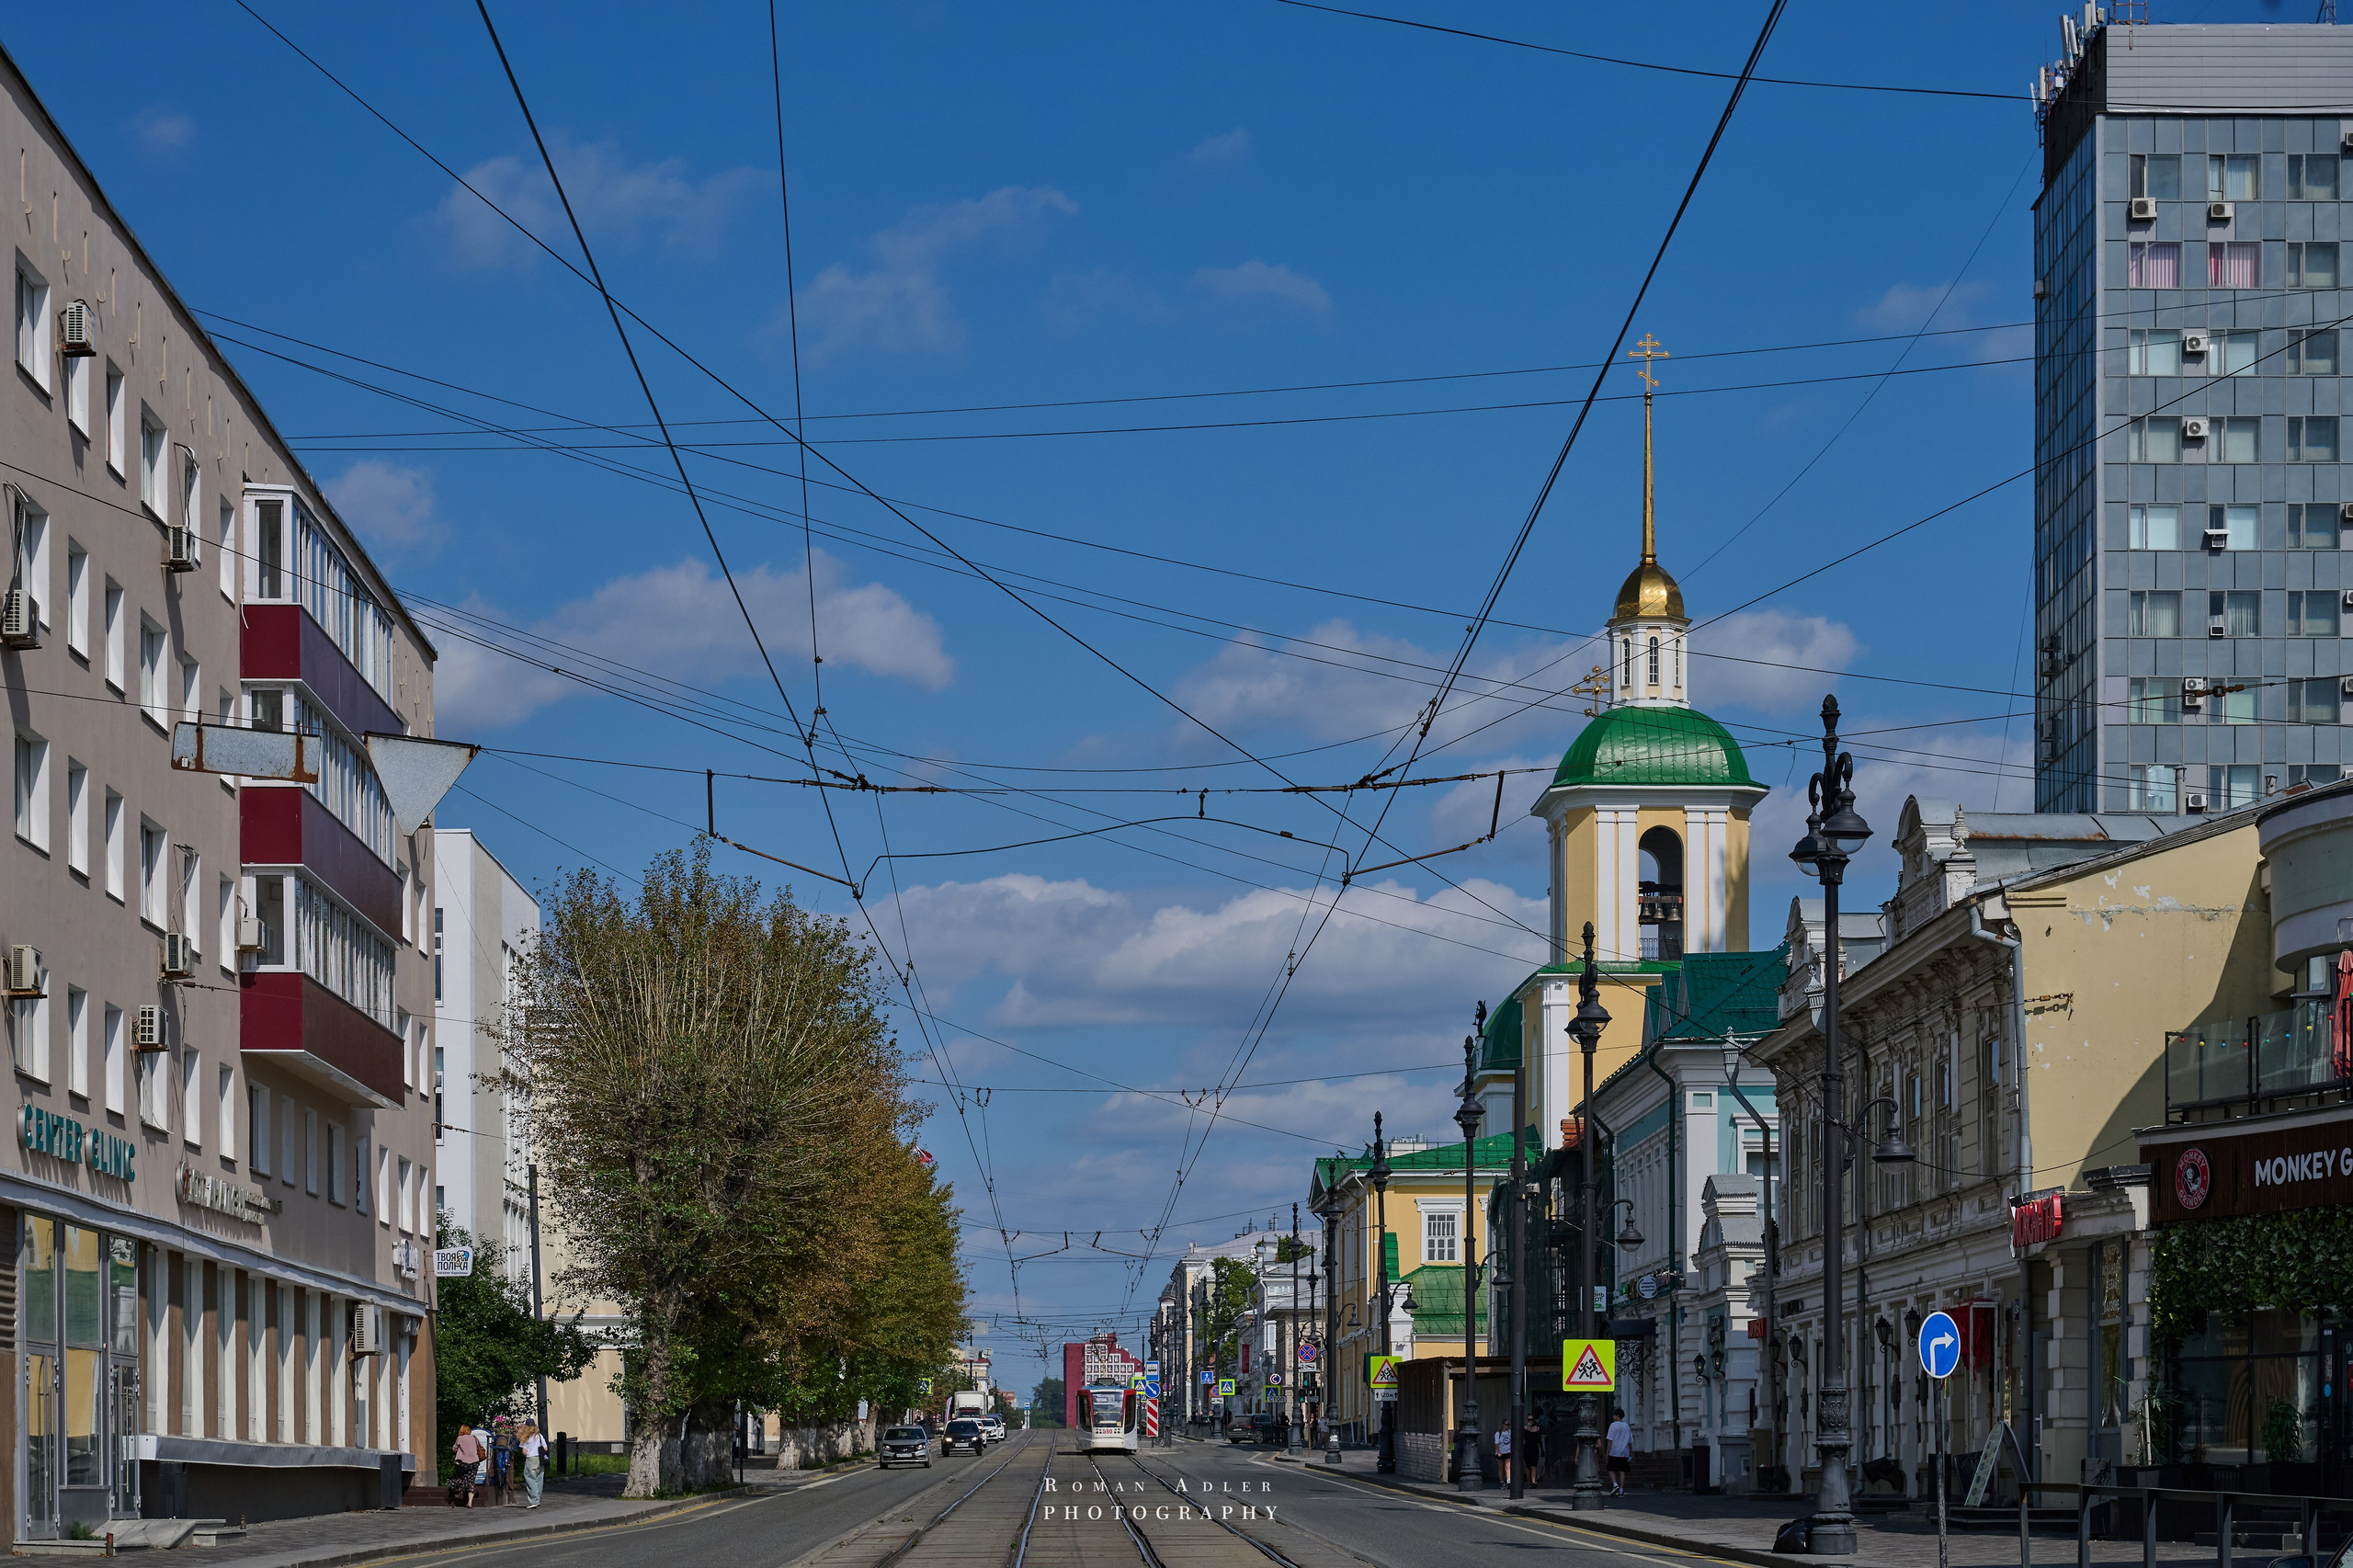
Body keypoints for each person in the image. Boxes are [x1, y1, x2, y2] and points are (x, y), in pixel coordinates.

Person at [450, 1426, 484, 1508]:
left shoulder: (460, 1438)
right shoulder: (474, 1438)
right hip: (474, 1462)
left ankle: (460, 1493)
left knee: (460, 1477)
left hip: (463, 1462)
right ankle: (470, 1502)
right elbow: (481, 1447)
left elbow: (454, 1449)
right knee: (471, 1481)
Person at [1605, 1406, 1633, 1496]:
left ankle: (1615, 1484)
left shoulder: (1613, 1425)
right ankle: (1621, 1489)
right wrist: (1631, 1452)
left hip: (1614, 1451)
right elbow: (1630, 1441)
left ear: (1617, 1416)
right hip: (1624, 1452)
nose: (1613, 1417)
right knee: (1622, 1471)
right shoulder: (1626, 1426)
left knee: (1610, 1469)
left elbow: (1610, 1440)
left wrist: (1607, 1453)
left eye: (1614, 1415)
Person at [519, 1423, 548, 1509]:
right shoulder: (539, 1436)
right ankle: (537, 1498)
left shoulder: (525, 1437)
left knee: (530, 1478)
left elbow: (524, 1452)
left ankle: (534, 1500)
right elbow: (545, 1448)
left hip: (531, 1459)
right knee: (539, 1478)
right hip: (540, 1459)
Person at [1493, 1421, 1513, 1485]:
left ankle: (1508, 1481)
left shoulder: (1509, 1432)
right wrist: (1498, 1451)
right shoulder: (1498, 1433)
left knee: (1508, 1466)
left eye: (1508, 1425)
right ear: (1502, 1425)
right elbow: (1497, 1443)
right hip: (1501, 1452)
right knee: (1501, 1468)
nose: (1507, 1426)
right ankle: (1502, 1482)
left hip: (1508, 1451)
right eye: (1506, 1424)